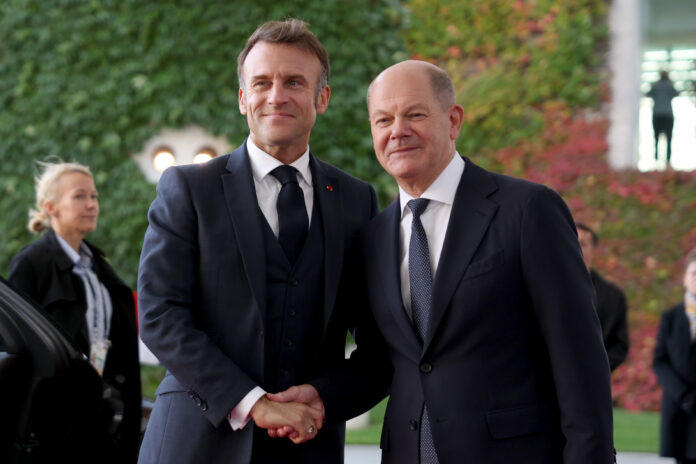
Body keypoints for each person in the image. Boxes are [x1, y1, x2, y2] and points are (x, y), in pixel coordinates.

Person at [293, 60, 615, 463]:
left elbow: (579, 357)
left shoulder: (527, 210)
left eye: (415, 114)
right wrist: (322, 398)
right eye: (383, 120)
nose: (398, 131)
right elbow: (384, 361)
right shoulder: (373, 239)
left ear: (453, 120)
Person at [136, 19, 389, 464]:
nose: (276, 96)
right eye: (261, 83)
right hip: (197, 445)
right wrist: (254, 402)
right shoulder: (189, 189)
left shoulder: (356, 199)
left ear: (322, 98)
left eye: (294, 82)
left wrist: (322, 398)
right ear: (242, 98)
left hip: (309, 447)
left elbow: (379, 340)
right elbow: (160, 316)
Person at [9, 161, 142, 463]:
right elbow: (15, 349)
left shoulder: (100, 268)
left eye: (94, 196)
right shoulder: (32, 264)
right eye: (79, 196)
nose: (92, 204)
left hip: (97, 419)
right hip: (49, 424)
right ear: (50, 207)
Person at [653, 248, 696, 464]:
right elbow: (660, 361)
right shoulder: (671, 317)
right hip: (679, 406)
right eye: (694, 273)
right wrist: (684, 394)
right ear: (685, 278)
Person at [576, 223, 629, 371]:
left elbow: (620, 345)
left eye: (582, 243)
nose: (575, 247)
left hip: (594, 380)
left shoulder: (614, 296)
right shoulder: (544, 287)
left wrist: (597, 368)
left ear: (593, 250)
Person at [647, 70, 679, 164]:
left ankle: (656, 159)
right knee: (668, 139)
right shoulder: (669, 86)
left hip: (657, 115)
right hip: (668, 115)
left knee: (656, 138)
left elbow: (648, 94)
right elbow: (676, 93)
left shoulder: (656, 86)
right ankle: (668, 160)